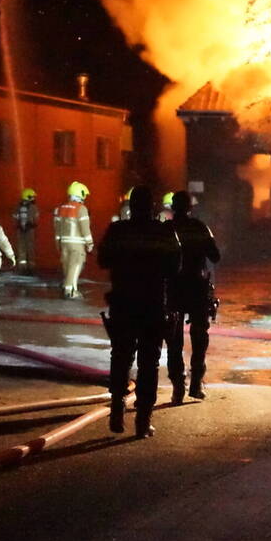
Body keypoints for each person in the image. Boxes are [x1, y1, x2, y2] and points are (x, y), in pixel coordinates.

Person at [98, 186, 182, 437]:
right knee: (149, 362)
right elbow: (175, 267)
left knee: (121, 356)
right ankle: (143, 421)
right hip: (152, 304)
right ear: (152, 206)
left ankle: (116, 408)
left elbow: (102, 260)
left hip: (123, 302)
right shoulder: (164, 232)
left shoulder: (118, 230)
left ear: (131, 206)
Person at [165, 191, 221, 403]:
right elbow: (215, 256)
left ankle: (178, 388)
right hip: (197, 288)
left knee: (173, 340)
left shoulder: (167, 229)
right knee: (199, 338)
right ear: (189, 207)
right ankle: (196, 385)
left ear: (173, 207)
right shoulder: (199, 227)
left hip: (173, 289)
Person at [53, 181, 94, 298]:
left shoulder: (60, 209)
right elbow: (85, 229)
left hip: (64, 243)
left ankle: (72, 289)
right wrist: (90, 243)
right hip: (77, 244)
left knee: (67, 267)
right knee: (75, 266)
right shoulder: (81, 209)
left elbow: (56, 228)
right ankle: (69, 291)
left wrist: (58, 243)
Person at [13, 188, 39, 275]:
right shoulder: (33, 207)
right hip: (28, 230)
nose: (33, 199)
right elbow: (36, 218)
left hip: (22, 230)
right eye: (32, 197)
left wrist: (19, 225)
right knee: (28, 248)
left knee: (23, 249)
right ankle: (29, 268)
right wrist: (31, 224)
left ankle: (24, 268)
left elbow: (14, 218)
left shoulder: (18, 207)